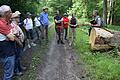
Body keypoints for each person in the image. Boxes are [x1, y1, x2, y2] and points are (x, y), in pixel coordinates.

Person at [0, 5, 16, 80]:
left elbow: (14, 31)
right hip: (7, 53)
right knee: (8, 74)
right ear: (6, 13)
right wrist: (11, 35)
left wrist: (10, 35)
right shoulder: (1, 23)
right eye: (10, 11)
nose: (12, 13)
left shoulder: (7, 22)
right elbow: (13, 38)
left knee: (9, 71)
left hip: (9, 51)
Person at [11, 11, 26, 76]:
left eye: (18, 17)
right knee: (16, 58)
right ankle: (16, 71)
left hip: (19, 43)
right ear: (14, 18)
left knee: (18, 57)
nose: (19, 18)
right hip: (16, 44)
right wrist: (20, 42)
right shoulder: (12, 25)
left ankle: (20, 68)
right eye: (17, 17)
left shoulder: (16, 24)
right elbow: (14, 36)